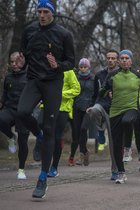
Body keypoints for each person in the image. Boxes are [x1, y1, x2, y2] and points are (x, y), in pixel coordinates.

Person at [15, 0, 75, 198]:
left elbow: (70, 63)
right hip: (33, 80)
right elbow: (23, 59)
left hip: (52, 83)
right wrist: (22, 64)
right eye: (39, 11)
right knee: (22, 112)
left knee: (50, 128)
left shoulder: (64, 34)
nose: (41, 15)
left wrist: (58, 65)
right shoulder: (29, 30)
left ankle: (42, 179)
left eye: (45, 12)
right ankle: (38, 135)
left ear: (52, 13)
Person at [98, 49, 140, 184]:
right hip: (115, 111)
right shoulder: (113, 75)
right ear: (119, 61)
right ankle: (121, 173)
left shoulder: (138, 76)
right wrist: (103, 92)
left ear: (131, 61)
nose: (125, 60)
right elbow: (103, 90)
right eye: (122, 58)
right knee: (115, 144)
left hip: (132, 109)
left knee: (127, 121)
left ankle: (128, 148)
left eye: (127, 58)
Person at [0, 52, 30, 179]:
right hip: (10, 109)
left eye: (16, 62)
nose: (14, 64)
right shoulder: (8, 77)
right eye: (11, 62)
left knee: (23, 141)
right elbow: (5, 95)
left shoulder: (29, 76)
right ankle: (11, 137)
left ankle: (21, 169)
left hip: (24, 112)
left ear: (22, 62)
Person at [46, 69, 80, 176]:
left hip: (63, 108)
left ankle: (54, 167)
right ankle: (39, 142)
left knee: (57, 137)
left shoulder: (68, 71)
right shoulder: (45, 69)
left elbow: (76, 89)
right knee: (43, 129)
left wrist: (60, 94)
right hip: (47, 106)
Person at [91, 49, 119, 180]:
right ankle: (100, 132)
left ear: (117, 60)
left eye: (113, 58)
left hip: (115, 110)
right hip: (101, 105)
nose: (110, 60)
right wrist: (91, 105)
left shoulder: (121, 74)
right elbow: (95, 93)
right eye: (108, 58)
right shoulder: (99, 75)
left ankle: (115, 170)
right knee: (94, 110)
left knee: (114, 144)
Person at [69, 58, 94, 166]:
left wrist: (93, 105)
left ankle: (81, 154)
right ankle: (84, 152)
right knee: (76, 133)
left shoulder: (93, 79)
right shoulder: (75, 78)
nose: (83, 69)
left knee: (83, 129)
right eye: (81, 67)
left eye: (85, 67)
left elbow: (96, 93)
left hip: (88, 109)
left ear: (89, 67)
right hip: (77, 108)